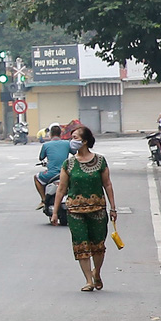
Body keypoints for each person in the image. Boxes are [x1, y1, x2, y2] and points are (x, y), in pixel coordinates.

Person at [51, 126, 119, 291]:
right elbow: (61, 189)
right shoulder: (68, 164)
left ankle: (97, 273)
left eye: (75, 137)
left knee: (98, 246)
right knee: (81, 246)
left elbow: (107, 184)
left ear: (85, 141)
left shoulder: (100, 161)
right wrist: (55, 212)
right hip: (75, 212)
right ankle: (89, 280)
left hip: (98, 210)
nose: (72, 141)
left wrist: (113, 207)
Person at [35, 124, 73, 214]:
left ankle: (44, 200)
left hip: (51, 174)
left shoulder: (46, 145)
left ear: (50, 134)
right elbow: (75, 153)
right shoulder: (67, 143)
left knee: (36, 178)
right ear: (60, 134)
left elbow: (41, 157)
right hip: (66, 173)